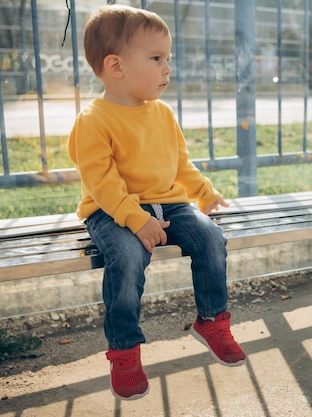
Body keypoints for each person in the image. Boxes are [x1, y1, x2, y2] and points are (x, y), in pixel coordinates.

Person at [68, 5, 246, 401]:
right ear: (115, 66)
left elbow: (180, 163)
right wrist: (135, 219)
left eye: (168, 58)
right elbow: (102, 182)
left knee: (211, 239)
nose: (168, 68)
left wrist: (205, 193)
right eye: (156, 59)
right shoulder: (94, 119)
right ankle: (125, 351)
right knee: (128, 258)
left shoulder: (162, 113)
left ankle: (213, 322)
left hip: (170, 205)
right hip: (112, 211)